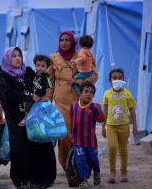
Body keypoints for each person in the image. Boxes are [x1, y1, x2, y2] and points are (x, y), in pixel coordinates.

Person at [0, 47, 56, 188]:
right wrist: (29, 96)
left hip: (34, 116)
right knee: (20, 149)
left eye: (19, 56)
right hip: (15, 118)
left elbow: (41, 84)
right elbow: (7, 95)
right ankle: (22, 181)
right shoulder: (2, 76)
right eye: (14, 56)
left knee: (40, 145)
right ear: (7, 59)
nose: (18, 58)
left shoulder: (29, 72)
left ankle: (42, 180)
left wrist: (45, 95)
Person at [47, 31, 98, 170]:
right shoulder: (53, 57)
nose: (64, 43)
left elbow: (94, 75)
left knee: (81, 133)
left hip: (79, 101)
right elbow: (49, 82)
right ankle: (66, 164)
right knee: (65, 134)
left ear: (73, 42)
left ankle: (81, 162)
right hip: (61, 101)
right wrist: (47, 102)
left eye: (67, 40)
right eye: (61, 40)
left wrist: (79, 81)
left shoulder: (83, 54)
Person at [102, 68, 137, 183]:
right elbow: (105, 111)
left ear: (123, 79)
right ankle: (112, 173)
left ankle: (124, 173)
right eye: (114, 78)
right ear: (110, 80)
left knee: (123, 149)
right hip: (111, 126)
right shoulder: (107, 94)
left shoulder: (127, 93)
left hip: (124, 126)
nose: (117, 80)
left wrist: (135, 126)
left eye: (120, 78)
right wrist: (103, 126)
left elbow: (132, 110)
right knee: (112, 148)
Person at [69, 82, 105, 188]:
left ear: (93, 95)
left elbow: (102, 119)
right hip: (77, 140)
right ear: (80, 93)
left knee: (93, 159)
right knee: (80, 160)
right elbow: (72, 120)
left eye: (91, 92)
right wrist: (72, 134)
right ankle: (84, 180)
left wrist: (101, 110)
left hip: (90, 140)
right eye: (86, 91)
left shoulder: (94, 107)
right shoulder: (74, 105)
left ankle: (97, 172)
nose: (88, 94)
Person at [18, 54, 53, 126]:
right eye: (38, 65)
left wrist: (46, 96)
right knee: (27, 105)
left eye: (43, 66)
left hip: (41, 98)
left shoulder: (46, 76)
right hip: (35, 97)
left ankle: (26, 119)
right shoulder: (36, 74)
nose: (40, 68)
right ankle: (28, 118)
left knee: (30, 106)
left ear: (47, 67)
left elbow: (49, 87)